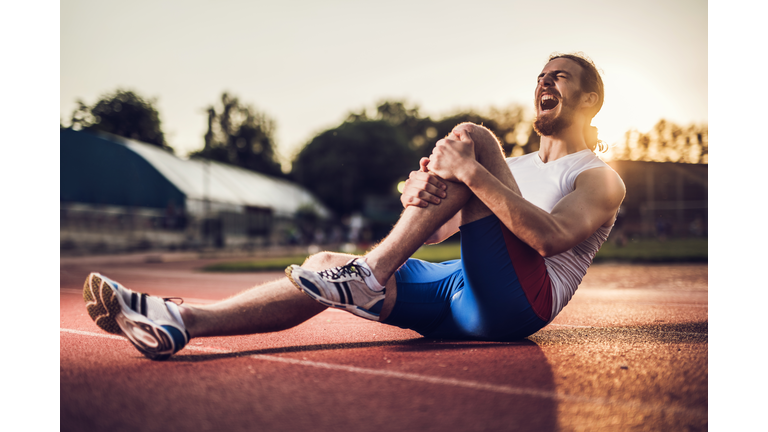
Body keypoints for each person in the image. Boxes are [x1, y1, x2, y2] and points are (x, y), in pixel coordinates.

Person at [83, 52, 625, 360]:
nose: (543, 82)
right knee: (323, 265)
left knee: (472, 136)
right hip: (460, 288)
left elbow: (551, 238)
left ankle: (366, 273)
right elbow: (440, 233)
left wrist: (470, 168)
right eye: (540, 76)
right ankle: (181, 321)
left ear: (588, 99)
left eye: (559, 76)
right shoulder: (519, 169)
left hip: (520, 304)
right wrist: (421, 195)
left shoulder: (598, 178)